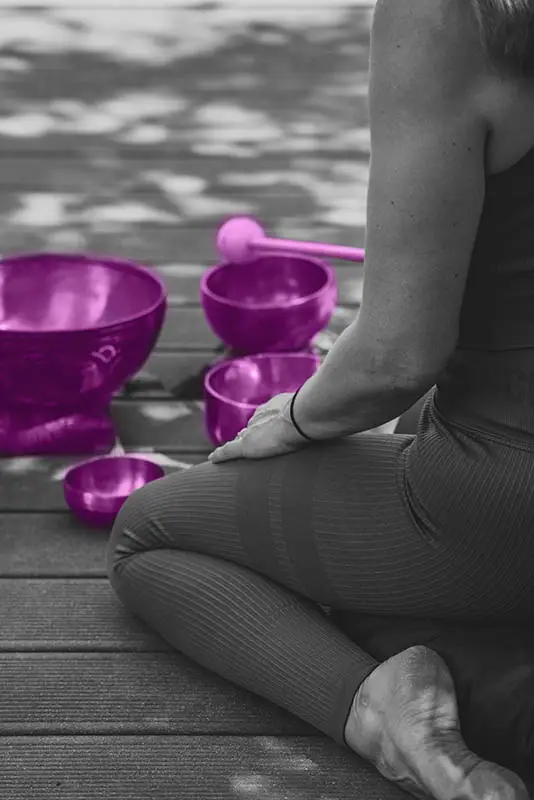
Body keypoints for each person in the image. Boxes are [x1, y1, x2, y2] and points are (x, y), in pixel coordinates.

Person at [106, 1, 534, 797]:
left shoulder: (449, 15)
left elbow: (395, 360)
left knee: (150, 536)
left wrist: (299, 416)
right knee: (413, 441)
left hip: (508, 498)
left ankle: (377, 715)